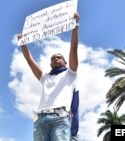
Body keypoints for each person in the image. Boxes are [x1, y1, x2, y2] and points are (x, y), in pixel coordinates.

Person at [17, 12, 80, 141]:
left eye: (59, 57)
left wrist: (75, 26)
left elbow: (73, 49)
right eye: (53, 58)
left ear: (65, 61)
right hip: (40, 119)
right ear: (50, 63)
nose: (56, 59)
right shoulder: (45, 77)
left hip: (60, 119)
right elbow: (29, 61)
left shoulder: (70, 73)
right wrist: (23, 44)